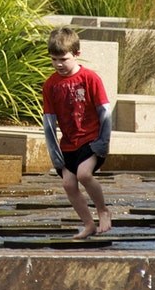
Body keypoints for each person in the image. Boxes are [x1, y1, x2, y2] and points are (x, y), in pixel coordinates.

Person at [41, 27, 114, 240]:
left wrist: (103, 142)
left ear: (77, 54)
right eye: (54, 60)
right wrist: (56, 156)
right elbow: (49, 123)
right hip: (68, 144)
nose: (58, 64)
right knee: (68, 184)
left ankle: (103, 210)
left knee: (84, 174)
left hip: (91, 141)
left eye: (63, 59)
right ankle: (88, 224)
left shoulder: (90, 79)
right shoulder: (50, 85)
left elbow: (105, 112)